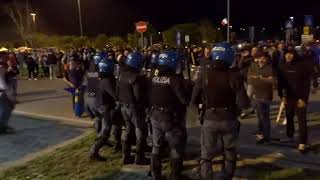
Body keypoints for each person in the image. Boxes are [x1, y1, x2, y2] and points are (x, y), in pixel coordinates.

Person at [191, 43, 249, 180]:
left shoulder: (204, 73)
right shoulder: (234, 75)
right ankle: (226, 176)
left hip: (210, 117)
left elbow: (194, 98)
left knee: (206, 154)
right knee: (229, 151)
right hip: (229, 118)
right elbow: (244, 103)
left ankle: (206, 177)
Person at [148, 50, 189, 180]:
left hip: (154, 114)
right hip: (169, 116)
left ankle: (155, 173)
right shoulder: (174, 80)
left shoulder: (153, 76)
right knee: (176, 145)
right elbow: (184, 100)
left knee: (157, 145)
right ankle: (175, 175)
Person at [277, 49, 317, 153]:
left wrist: (303, 99)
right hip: (289, 97)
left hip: (300, 97)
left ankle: (302, 142)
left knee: (301, 120)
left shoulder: (301, 66)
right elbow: (280, 84)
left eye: (290, 54)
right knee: (289, 117)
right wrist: (281, 96)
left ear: (294, 55)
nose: (288, 56)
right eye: (286, 54)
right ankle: (290, 136)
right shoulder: (282, 66)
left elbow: (306, 84)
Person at [117, 51, 149, 165]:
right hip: (134, 108)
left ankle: (125, 156)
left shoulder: (121, 74)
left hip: (123, 107)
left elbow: (118, 91)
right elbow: (138, 96)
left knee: (128, 131)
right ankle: (139, 158)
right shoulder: (136, 77)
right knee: (141, 132)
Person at [89, 53, 120, 161]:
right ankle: (94, 151)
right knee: (106, 130)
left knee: (115, 124)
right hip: (105, 106)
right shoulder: (107, 80)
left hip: (100, 104)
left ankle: (117, 144)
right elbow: (115, 95)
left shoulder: (100, 76)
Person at [250, 52, 274, 144]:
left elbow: (271, 80)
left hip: (265, 96)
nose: (261, 60)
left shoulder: (269, 68)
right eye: (260, 58)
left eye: (264, 58)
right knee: (259, 117)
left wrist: (261, 78)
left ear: (267, 59)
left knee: (264, 117)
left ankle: (267, 136)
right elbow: (251, 78)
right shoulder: (255, 67)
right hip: (256, 95)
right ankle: (261, 134)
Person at [0, 61, 16, 134]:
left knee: (5, 109)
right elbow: (3, 84)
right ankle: (2, 127)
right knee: (6, 110)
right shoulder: (1, 68)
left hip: (5, 92)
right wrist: (11, 97)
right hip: (4, 92)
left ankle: (3, 126)